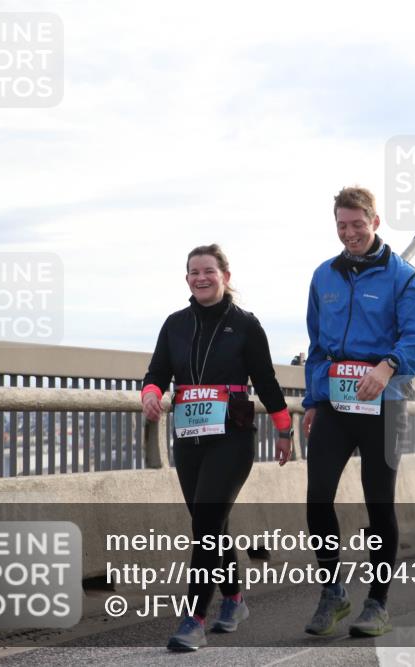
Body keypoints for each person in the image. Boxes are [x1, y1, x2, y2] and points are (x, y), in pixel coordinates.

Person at [141, 244, 294, 651]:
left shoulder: (245, 324)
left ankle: (194, 618)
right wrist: (152, 393)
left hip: (233, 437)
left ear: (225, 275)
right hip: (189, 439)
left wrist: (283, 429)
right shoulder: (174, 323)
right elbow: (157, 371)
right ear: (187, 278)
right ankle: (234, 599)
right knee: (212, 525)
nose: (201, 277)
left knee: (206, 523)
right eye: (193, 272)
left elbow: (265, 380)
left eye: (208, 270)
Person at [302, 186, 415, 637]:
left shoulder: (405, 278)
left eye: (358, 224)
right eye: (342, 225)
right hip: (335, 405)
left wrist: (388, 365)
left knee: (380, 503)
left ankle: (377, 602)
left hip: (386, 403)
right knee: (317, 495)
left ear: (375, 222)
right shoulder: (324, 277)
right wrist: (312, 400)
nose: (350, 232)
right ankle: (333, 593)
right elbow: (317, 347)